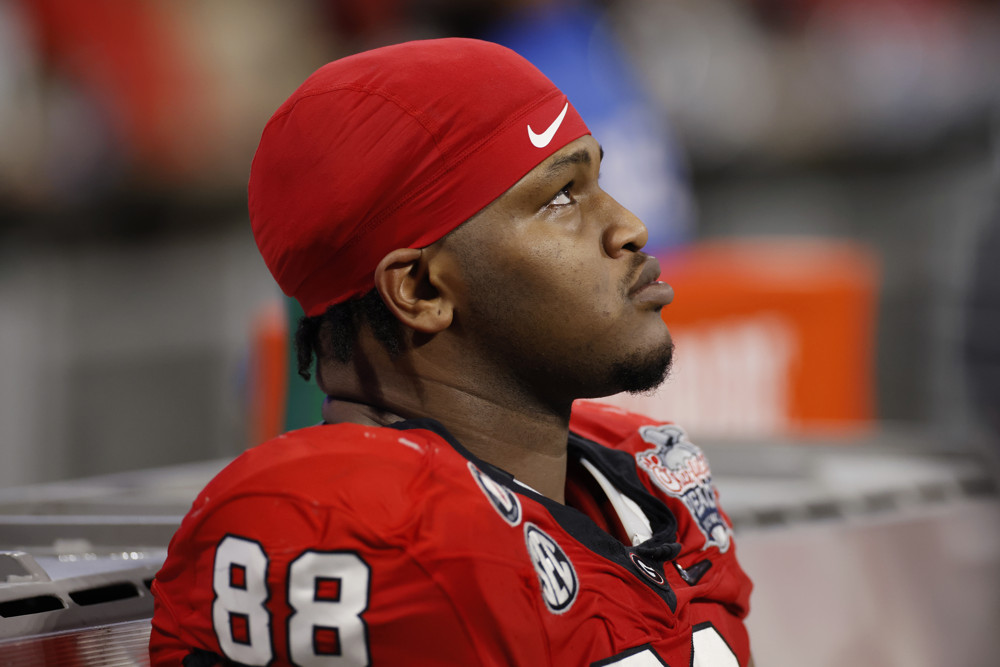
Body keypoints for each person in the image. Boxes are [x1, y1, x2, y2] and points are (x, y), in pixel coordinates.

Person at [150, 38, 752, 666]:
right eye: (560, 197)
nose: (630, 226)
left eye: (598, 180)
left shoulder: (646, 475)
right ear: (421, 288)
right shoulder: (362, 528)